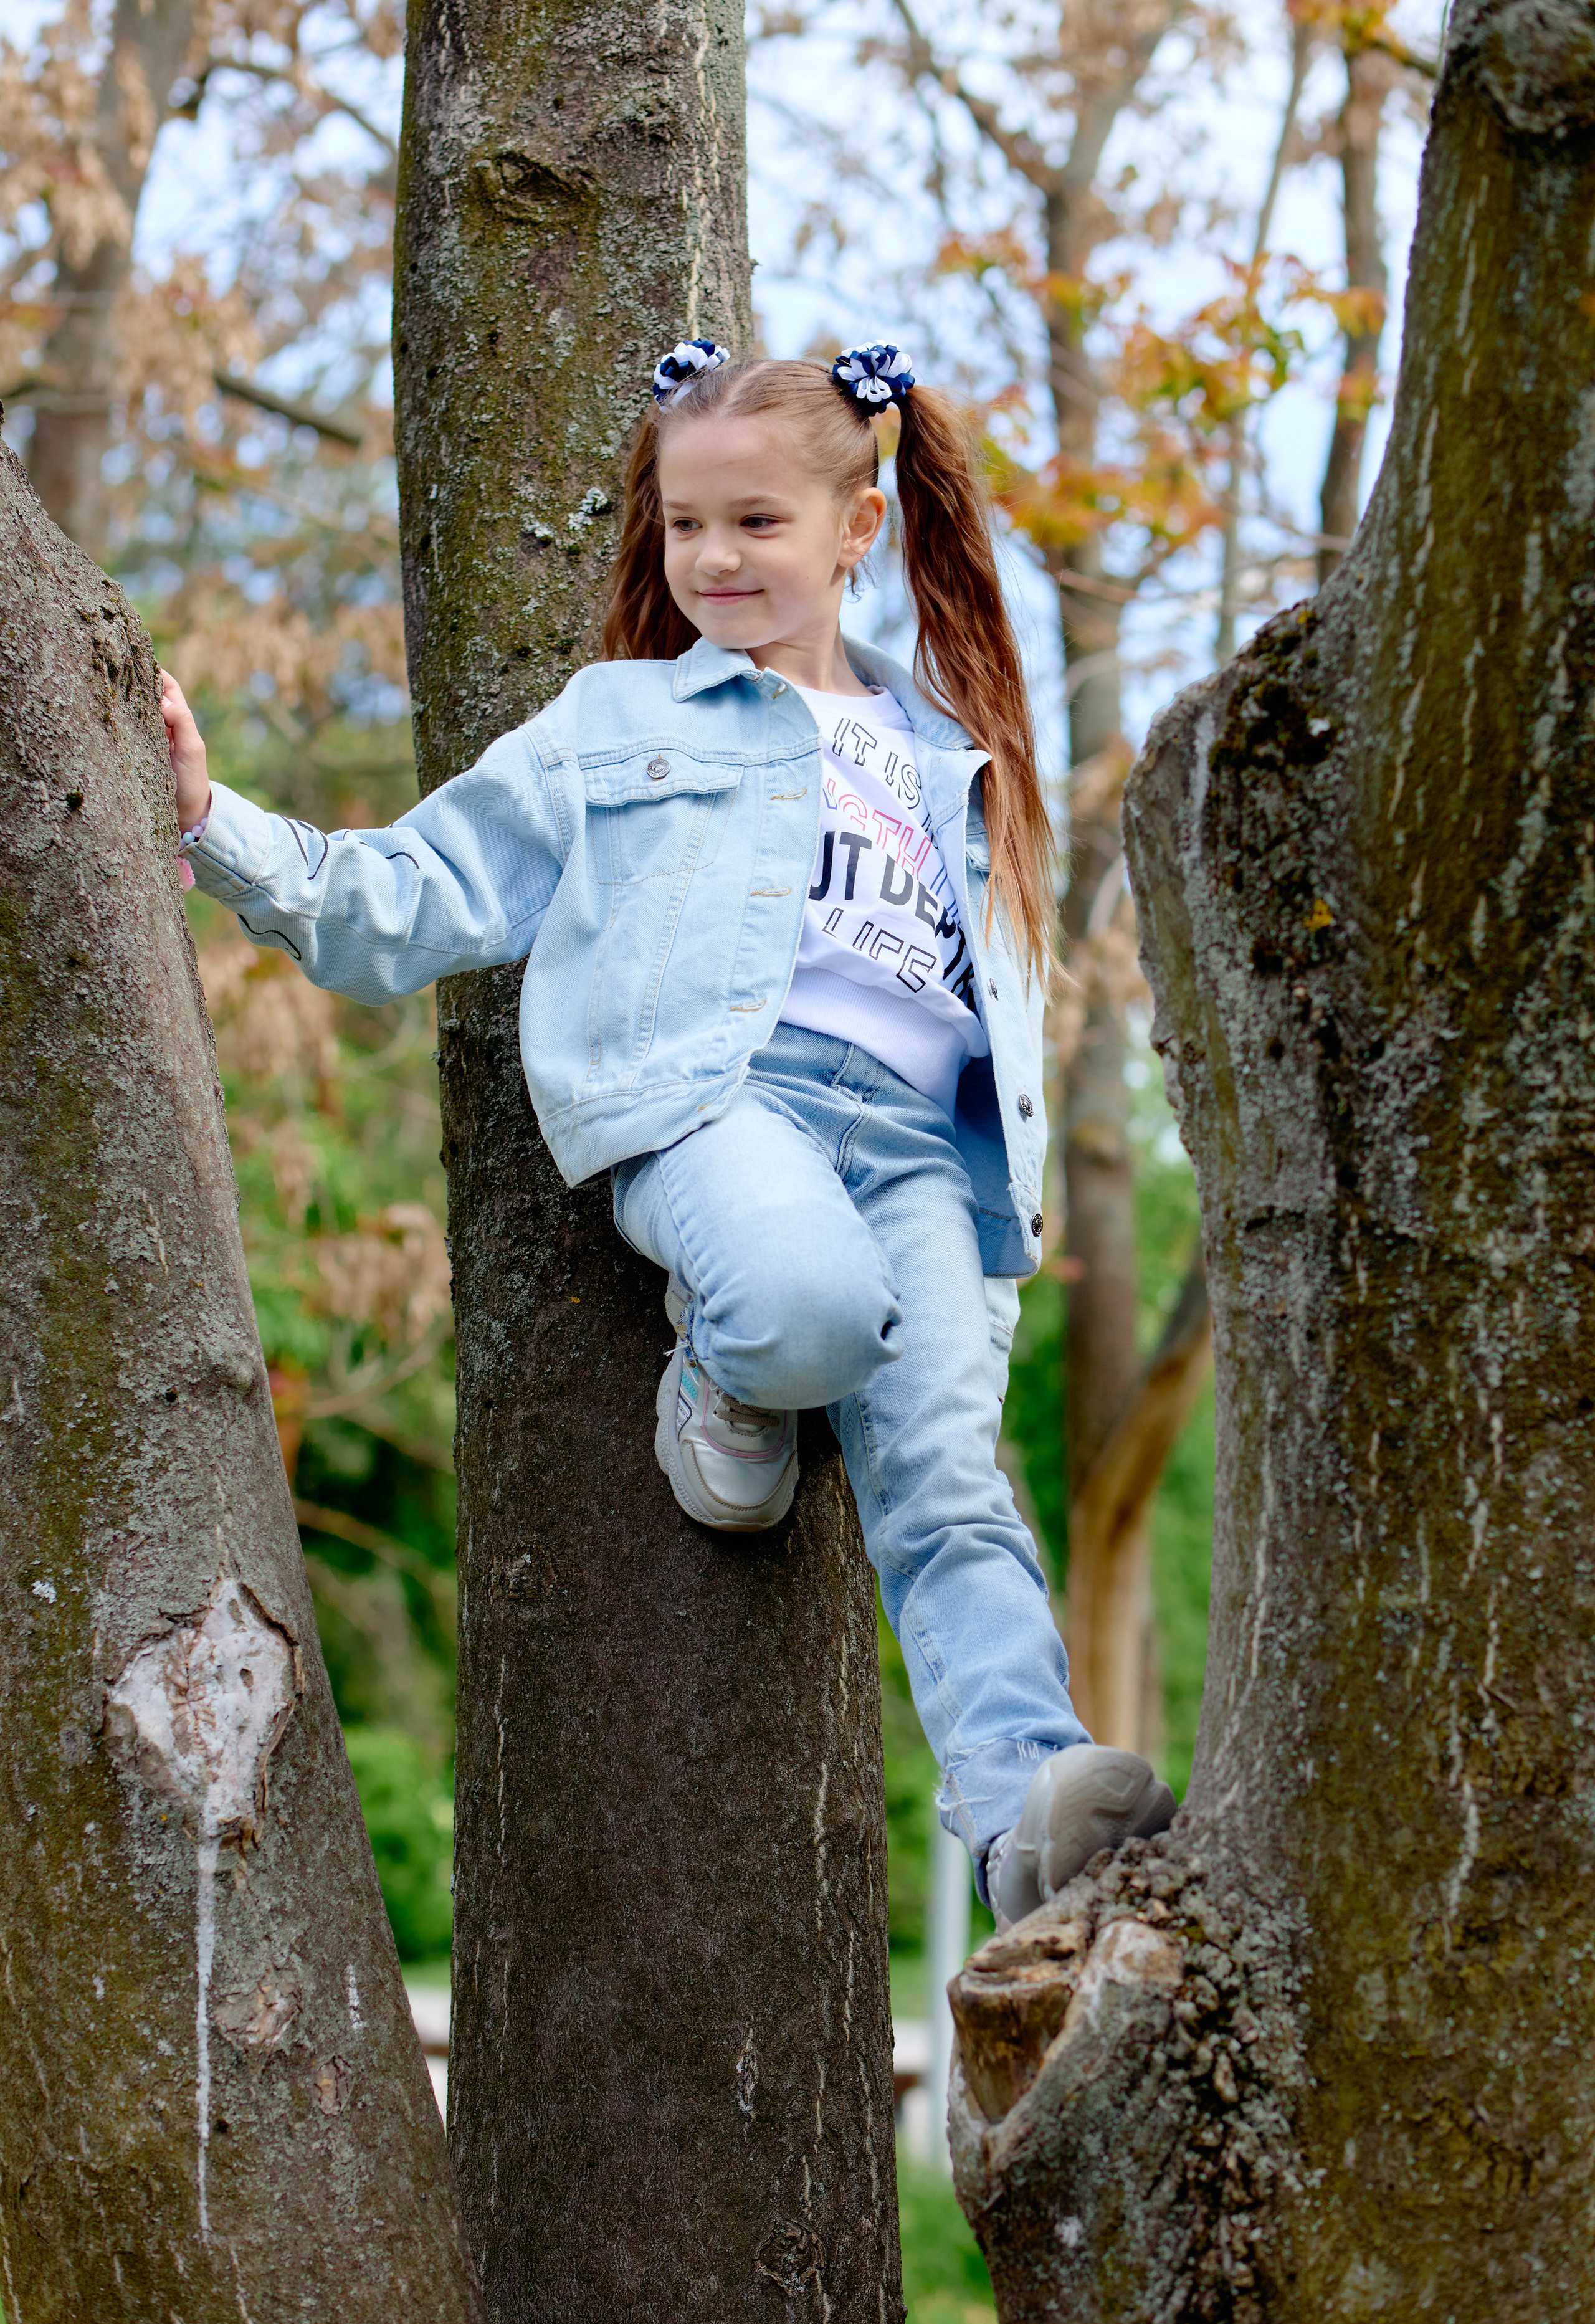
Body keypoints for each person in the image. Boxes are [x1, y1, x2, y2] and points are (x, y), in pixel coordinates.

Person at [163, 336, 1175, 1927]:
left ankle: (1023, 1818)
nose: (710, 557)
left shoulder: (946, 749)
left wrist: (1006, 1234)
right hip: (722, 1107)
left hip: (923, 1153)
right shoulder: (617, 720)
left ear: (856, 530)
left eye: (756, 524)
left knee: (950, 1484)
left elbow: (1007, 1016)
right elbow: (411, 897)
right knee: (806, 1308)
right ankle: (728, 1371)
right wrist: (215, 826)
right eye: (684, 523)